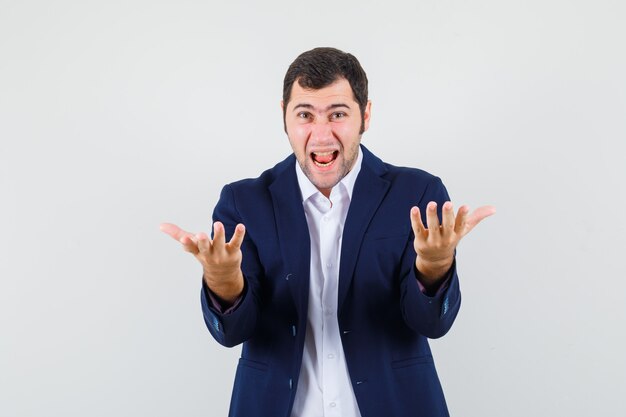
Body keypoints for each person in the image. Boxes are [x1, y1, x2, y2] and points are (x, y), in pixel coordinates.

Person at [161, 47, 495, 417]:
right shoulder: (243, 203)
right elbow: (232, 333)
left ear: (365, 115)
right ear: (284, 117)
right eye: (305, 115)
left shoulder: (417, 195)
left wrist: (434, 266)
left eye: (338, 114)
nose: (321, 135)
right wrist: (223, 281)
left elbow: (432, 323)